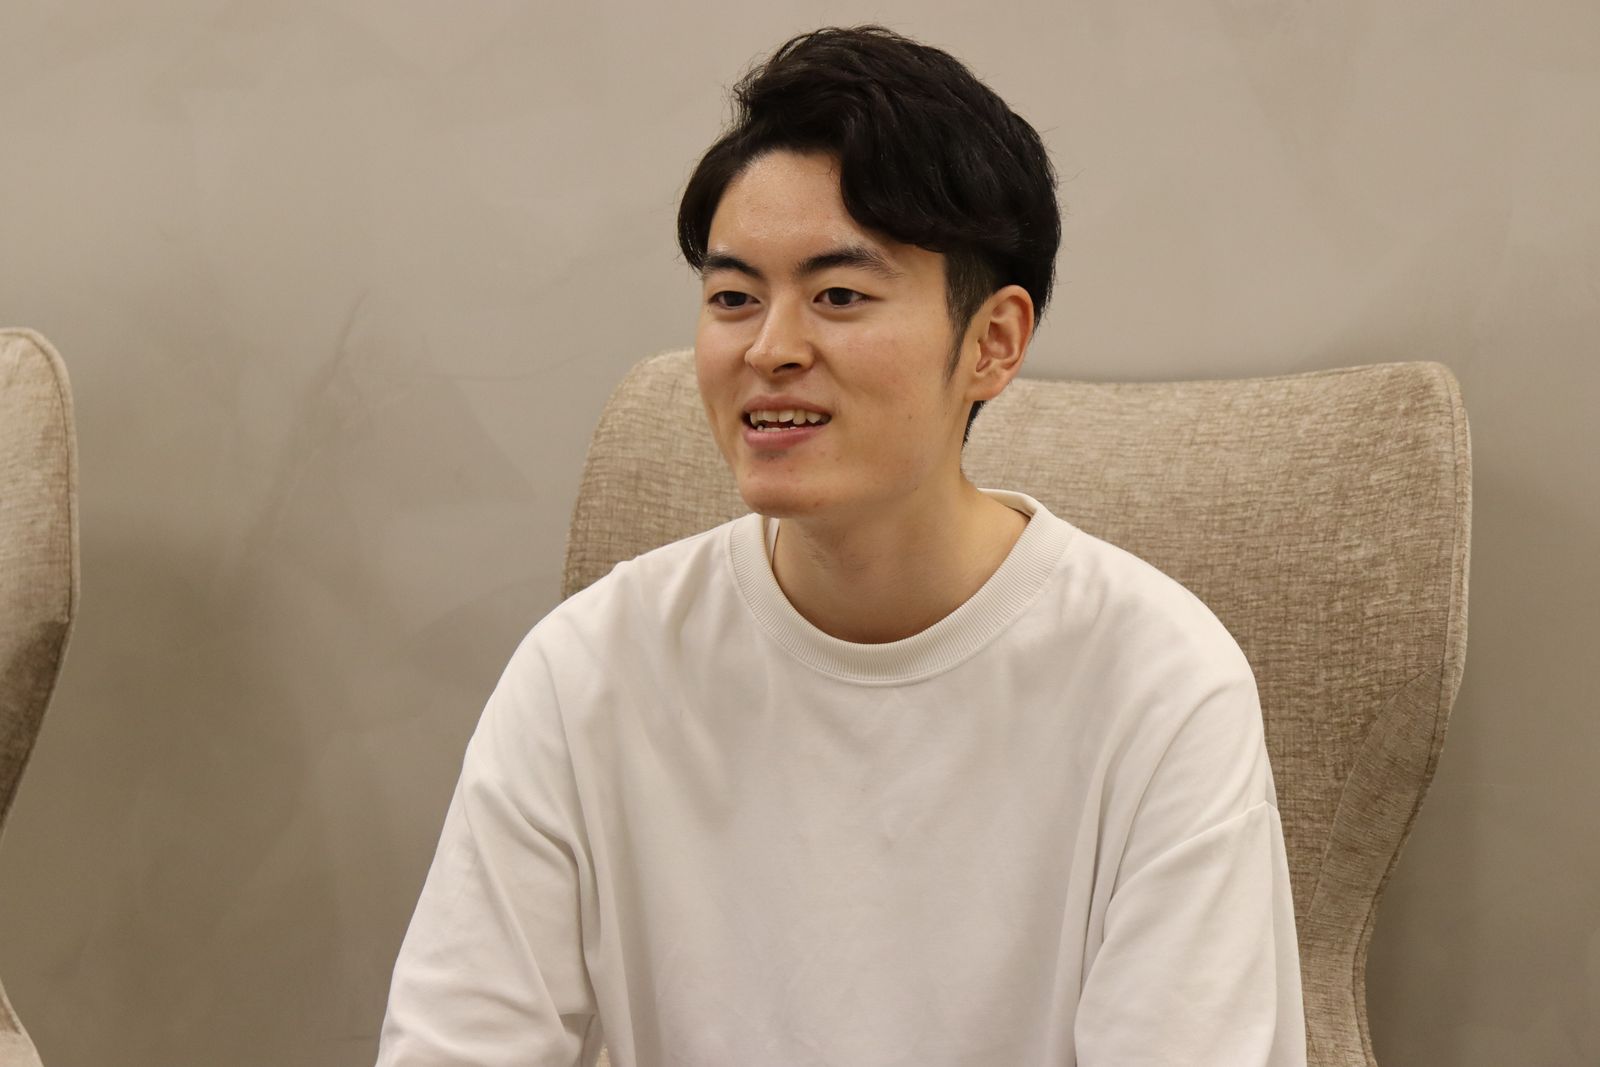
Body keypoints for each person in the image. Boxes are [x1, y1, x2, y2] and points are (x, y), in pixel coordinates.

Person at [376, 24, 1306, 1067]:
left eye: (839, 296)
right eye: (733, 298)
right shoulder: (587, 671)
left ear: (993, 342)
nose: (770, 348)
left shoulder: (1160, 683)